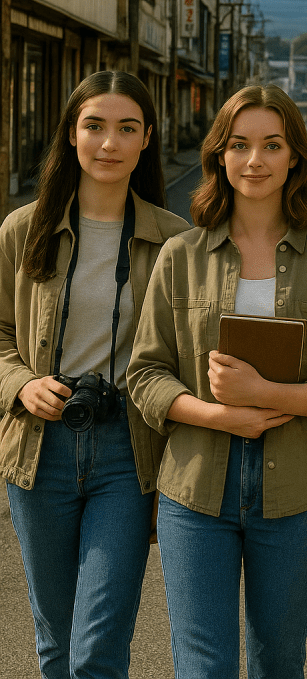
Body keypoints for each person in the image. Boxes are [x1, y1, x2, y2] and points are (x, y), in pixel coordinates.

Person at [127, 84, 307, 679]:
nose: (254, 160)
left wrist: (266, 396)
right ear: (219, 155)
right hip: (194, 489)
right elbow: (145, 372)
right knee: (203, 663)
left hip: (295, 491)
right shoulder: (180, 254)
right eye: (239, 145)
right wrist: (217, 415)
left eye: (271, 145)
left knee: (279, 660)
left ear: (295, 157)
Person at [0, 71, 189, 679]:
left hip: (126, 449)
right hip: (40, 445)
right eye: (95, 126)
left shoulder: (174, 242)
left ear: (146, 139)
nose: (109, 143)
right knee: (55, 638)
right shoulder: (21, 230)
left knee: (99, 643)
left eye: (126, 128)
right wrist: (23, 384)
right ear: (72, 135)